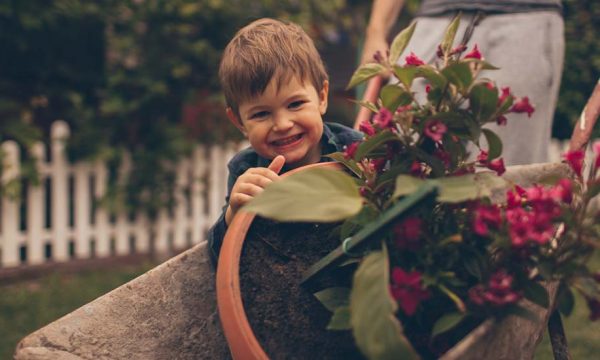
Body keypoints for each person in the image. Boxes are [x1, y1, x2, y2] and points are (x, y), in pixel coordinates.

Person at [207, 18, 363, 265]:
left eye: (295, 104)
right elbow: (220, 261)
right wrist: (233, 215)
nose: (282, 124)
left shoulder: (353, 150)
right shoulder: (247, 170)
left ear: (322, 97)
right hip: (285, 283)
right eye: (261, 114)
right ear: (239, 122)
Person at [361, 0, 564, 166]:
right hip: (435, 20)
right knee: (402, 156)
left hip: (526, 19)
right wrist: (376, 31)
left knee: (509, 173)